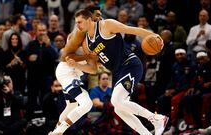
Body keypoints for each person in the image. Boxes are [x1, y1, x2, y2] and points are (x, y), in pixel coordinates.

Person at [66, 9, 169, 135]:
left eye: (79, 22)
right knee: (119, 108)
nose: (77, 26)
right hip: (118, 72)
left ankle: (157, 119)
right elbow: (93, 69)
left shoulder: (106, 25)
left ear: (88, 20)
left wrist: (154, 36)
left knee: (116, 101)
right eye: (76, 23)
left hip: (130, 64)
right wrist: (76, 64)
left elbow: (134, 30)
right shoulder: (86, 45)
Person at [48, 6, 103, 135]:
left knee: (71, 106)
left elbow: (93, 67)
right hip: (66, 71)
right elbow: (67, 57)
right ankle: (60, 131)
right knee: (87, 104)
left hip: (73, 72)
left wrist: (95, 61)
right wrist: (90, 57)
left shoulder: (92, 33)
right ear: (89, 17)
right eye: (98, 15)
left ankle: (56, 131)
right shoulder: (78, 34)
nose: (100, 18)